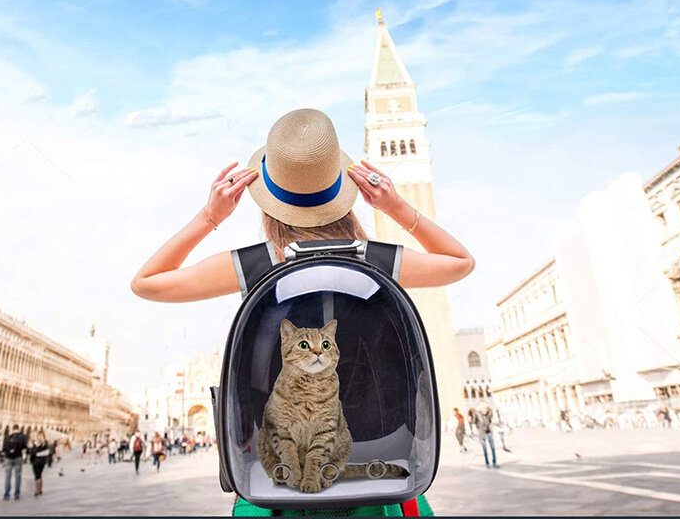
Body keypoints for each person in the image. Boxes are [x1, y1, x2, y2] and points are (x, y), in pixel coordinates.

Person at [131, 108, 475, 517]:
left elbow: (147, 282)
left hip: (276, 482)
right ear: (342, 192)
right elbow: (460, 261)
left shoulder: (256, 264)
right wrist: (396, 207)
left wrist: (211, 216)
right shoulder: (378, 261)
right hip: (379, 481)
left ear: (269, 204)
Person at [2, 424, 28, 500]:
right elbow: (24, 447)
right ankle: (16, 495)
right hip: (18, 458)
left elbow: (3, 449)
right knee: (18, 477)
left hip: (8, 458)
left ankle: (6, 495)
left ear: (12, 429)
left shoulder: (6, 438)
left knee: (7, 477)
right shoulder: (22, 437)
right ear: (18, 429)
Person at [29, 431, 51, 497]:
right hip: (42, 461)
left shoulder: (35, 443)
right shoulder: (46, 443)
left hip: (35, 461)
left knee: (37, 476)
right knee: (40, 475)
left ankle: (36, 491)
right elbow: (47, 452)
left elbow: (32, 452)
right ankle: (40, 490)